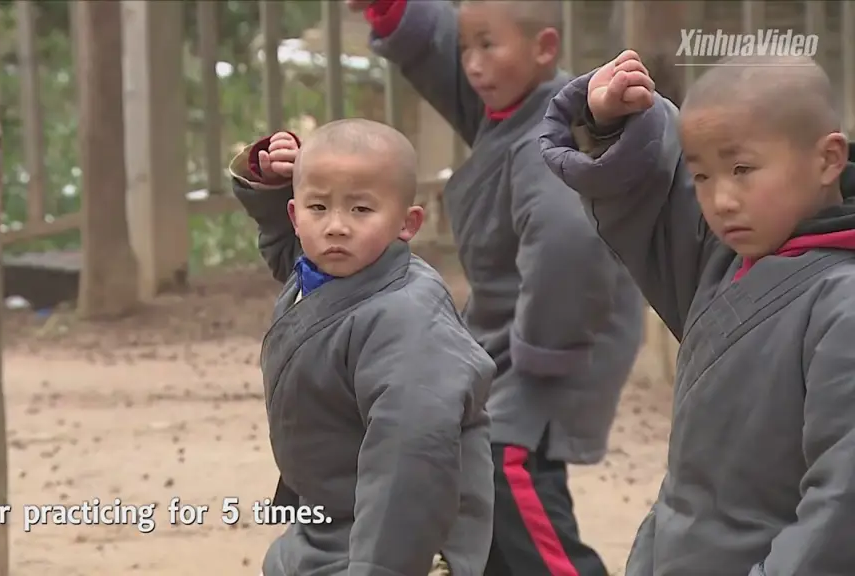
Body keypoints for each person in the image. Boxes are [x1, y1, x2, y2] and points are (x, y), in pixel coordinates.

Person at [347, 1, 645, 574]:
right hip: (510, 340)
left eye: (489, 45)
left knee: (507, 466)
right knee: (474, 478)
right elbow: (443, 58)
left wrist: (540, 352)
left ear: (544, 49)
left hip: (550, 343)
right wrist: (396, 11)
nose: (473, 64)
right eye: (467, 47)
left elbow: (568, 244)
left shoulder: (548, 136)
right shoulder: (504, 107)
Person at [539, 51, 855, 576]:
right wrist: (613, 122)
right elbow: (657, 199)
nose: (721, 200)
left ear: (827, 160)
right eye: (703, 176)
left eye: (742, 169)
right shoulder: (727, 261)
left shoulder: (841, 301)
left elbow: (842, 500)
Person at [230, 118, 497, 576]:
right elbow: (292, 263)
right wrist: (272, 186)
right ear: (295, 217)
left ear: (407, 223)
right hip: (327, 522)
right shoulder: (328, 276)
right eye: (318, 207)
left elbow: (410, 465)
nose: (336, 227)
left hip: (394, 541)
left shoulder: (408, 319)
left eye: (360, 210)